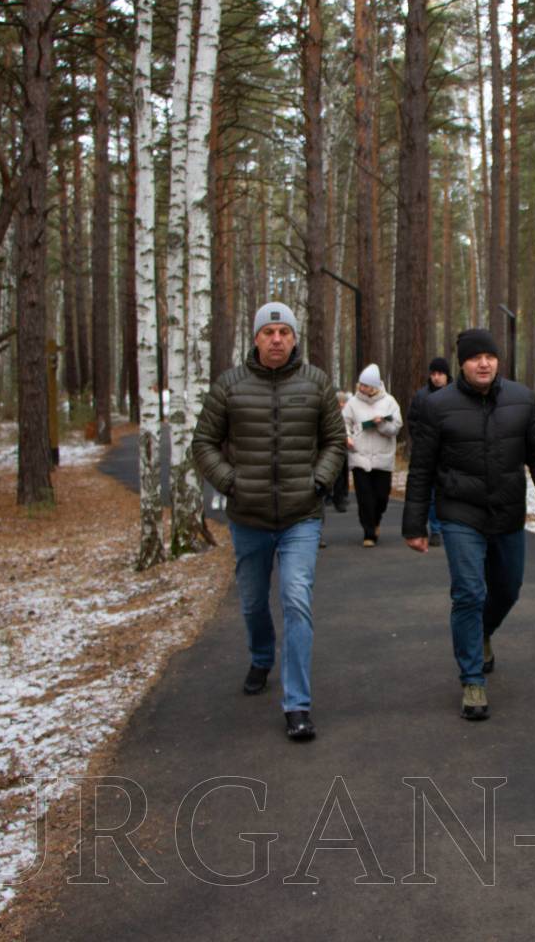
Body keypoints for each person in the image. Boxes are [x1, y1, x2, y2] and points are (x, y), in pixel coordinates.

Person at [192, 301, 346, 741]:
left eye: (284, 332)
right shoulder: (230, 385)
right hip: (249, 516)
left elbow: (335, 440)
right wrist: (231, 482)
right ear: (256, 338)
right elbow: (203, 442)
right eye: (268, 332)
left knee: (296, 600)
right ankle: (262, 656)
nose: (277, 339)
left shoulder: (316, 383)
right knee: (253, 602)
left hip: (301, 516)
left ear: (295, 338)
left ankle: (297, 704)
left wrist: (319, 481)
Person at [403, 329, 535, 721]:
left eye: (490, 356)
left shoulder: (522, 400)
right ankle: (472, 679)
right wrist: (415, 524)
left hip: (507, 511)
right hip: (460, 512)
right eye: (475, 357)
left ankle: (483, 632)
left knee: (508, 588)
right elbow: (421, 468)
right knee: (469, 593)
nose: (484, 363)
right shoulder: (438, 406)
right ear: (462, 363)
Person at [342, 363, 402, 547]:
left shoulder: (389, 402)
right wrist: (347, 437)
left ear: (374, 386)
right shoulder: (352, 403)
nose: (361, 388)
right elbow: (344, 422)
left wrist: (381, 424)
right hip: (359, 456)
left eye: (366, 385)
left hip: (382, 457)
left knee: (381, 497)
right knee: (364, 498)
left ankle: (376, 521)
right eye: (360, 384)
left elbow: (396, 427)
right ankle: (369, 533)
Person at [408, 357, 452, 546]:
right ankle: (435, 529)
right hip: (429, 453)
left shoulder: (457, 394)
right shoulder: (421, 396)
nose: (436, 377)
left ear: (447, 375)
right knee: (432, 494)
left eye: (440, 373)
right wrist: (423, 442)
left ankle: (451, 526)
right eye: (433, 373)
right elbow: (413, 421)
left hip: (452, 452)